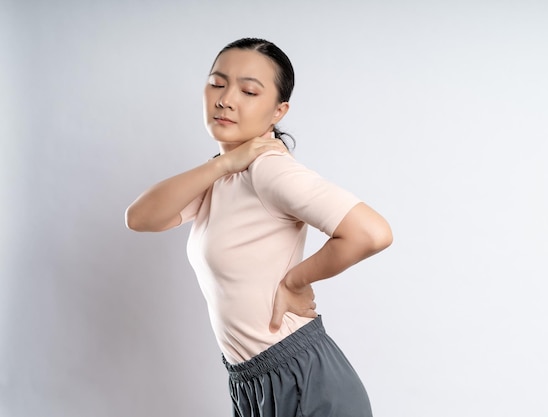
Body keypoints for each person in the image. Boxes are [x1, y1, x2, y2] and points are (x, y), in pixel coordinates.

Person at [125, 37, 393, 417]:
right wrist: (221, 164)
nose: (226, 99)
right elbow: (140, 218)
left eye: (249, 90)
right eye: (218, 83)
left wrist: (295, 282)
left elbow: (372, 232)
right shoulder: (224, 175)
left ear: (278, 111)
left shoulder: (268, 169)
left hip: (302, 379)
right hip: (251, 380)